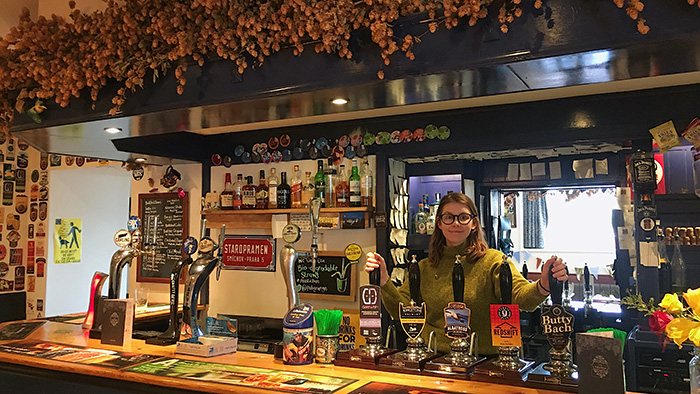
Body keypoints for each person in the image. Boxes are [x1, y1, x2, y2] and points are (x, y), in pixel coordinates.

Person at [365, 192, 568, 355]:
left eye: (463, 217)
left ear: (473, 224)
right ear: (439, 222)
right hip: (433, 358)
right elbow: (403, 313)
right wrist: (384, 281)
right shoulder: (424, 267)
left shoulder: (493, 261)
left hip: (484, 361)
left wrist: (543, 286)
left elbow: (522, 299)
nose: (456, 223)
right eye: (448, 217)